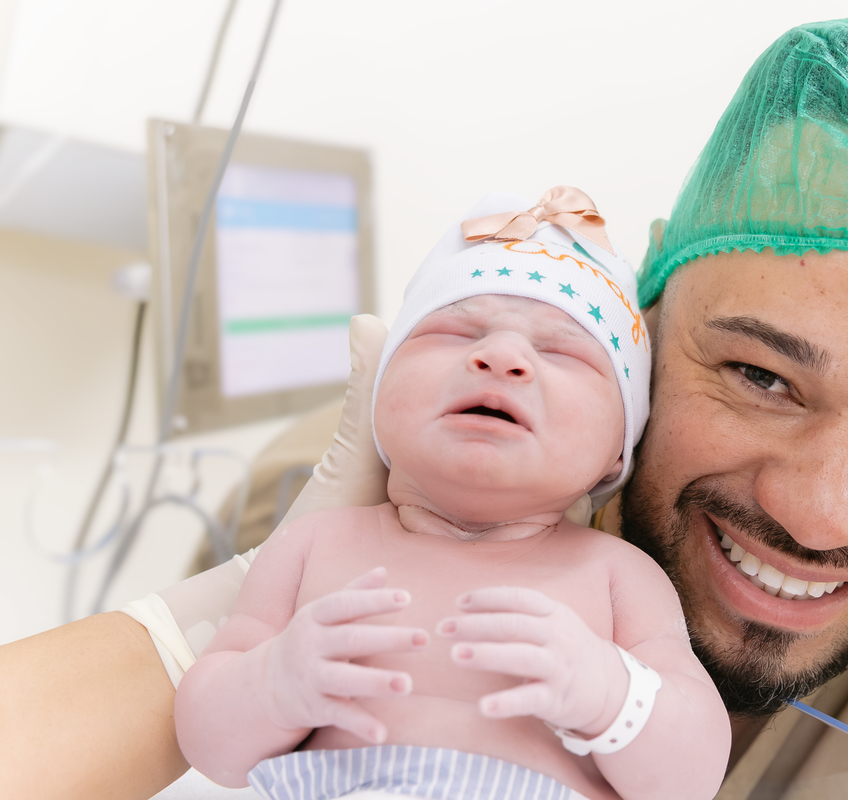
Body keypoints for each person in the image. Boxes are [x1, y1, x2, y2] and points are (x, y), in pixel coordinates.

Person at [4, 18, 848, 800]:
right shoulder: (331, 494)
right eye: (761, 377)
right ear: (648, 305)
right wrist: (206, 651)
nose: (819, 511)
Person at [174, 188, 729, 800]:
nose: (501, 356)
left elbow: (691, 779)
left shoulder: (619, 578)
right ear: (377, 395)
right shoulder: (313, 545)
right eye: (457, 332)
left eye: (559, 350)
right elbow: (209, 750)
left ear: (617, 450)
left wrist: (609, 694)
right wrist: (270, 685)